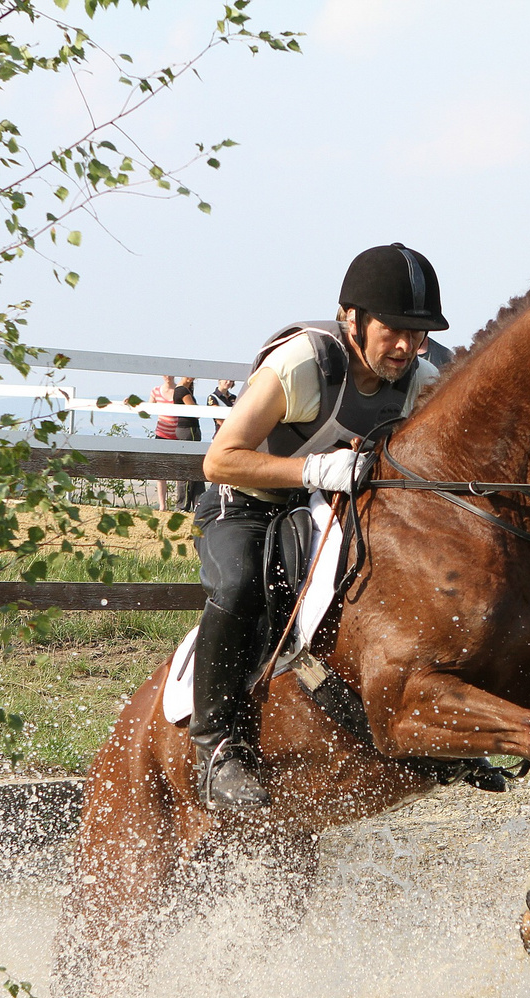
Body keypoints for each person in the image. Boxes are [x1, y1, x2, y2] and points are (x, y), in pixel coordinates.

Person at [191, 243, 448, 809]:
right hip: (248, 504)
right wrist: (315, 468)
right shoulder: (304, 363)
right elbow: (219, 459)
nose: (407, 346)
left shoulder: (421, 380)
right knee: (236, 588)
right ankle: (215, 747)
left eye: (419, 333)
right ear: (351, 317)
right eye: (395, 330)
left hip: (331, 512)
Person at [172, 376, 205, 512]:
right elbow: (194, 411)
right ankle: (183, 504)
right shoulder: (182, 391)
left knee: (195, 465)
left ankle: (198, 502)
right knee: (188, 465)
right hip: (188, 429)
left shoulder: (186, 390)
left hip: (191, 429)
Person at [150, 374, 178, 512]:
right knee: (161, 471)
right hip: (161, 433)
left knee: (179, 469)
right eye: (165, 374)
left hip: (178, 435)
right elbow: (148, 409)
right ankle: (162, 505)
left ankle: (181, 504)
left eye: (170, 374)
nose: (168, 376)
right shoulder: (155, 391)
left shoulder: (180, 390)